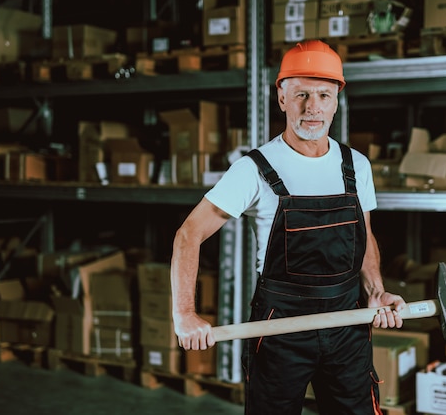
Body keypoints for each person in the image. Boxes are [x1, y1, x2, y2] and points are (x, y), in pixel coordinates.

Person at [171, 39, 406, 415]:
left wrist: (375, 291)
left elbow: (364, 233)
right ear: (281, 98)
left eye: (324, 95)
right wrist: (184, 313)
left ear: (336, 101)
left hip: (347, 321)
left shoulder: (355, 165)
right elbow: (188, 235)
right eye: (301, 94)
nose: (312, 108)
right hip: (279, 327)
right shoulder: (254, 170)